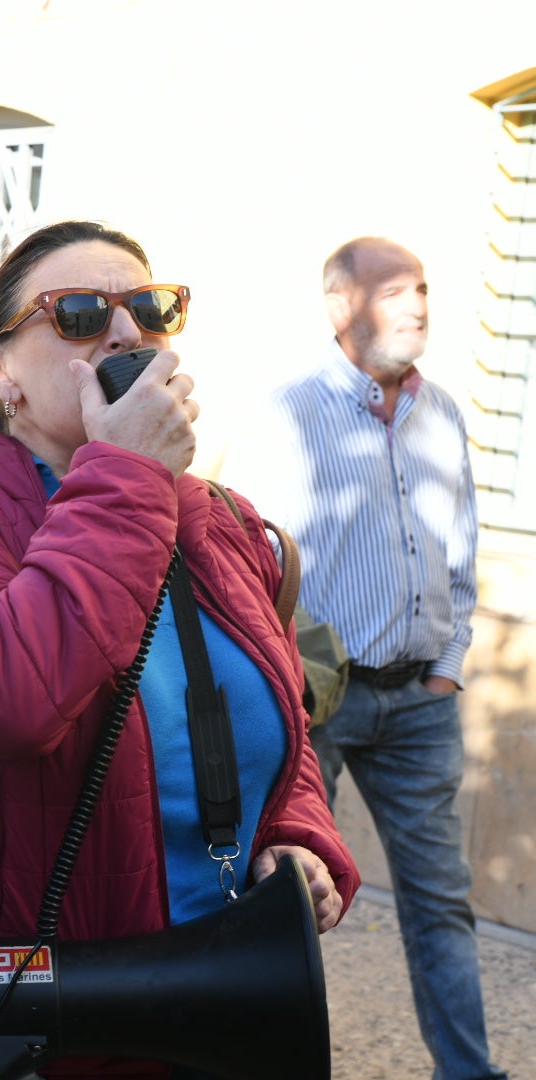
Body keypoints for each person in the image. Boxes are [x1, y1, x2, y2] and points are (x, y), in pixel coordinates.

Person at [0, 220, 359, 1080]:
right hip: (13, 1019)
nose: (126, 332)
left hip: (209, 1004)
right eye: (75, 312)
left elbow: (277, 719)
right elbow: (9, 700)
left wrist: (297, 836)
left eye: (150, 307)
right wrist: (131, 474)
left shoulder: (224, 523)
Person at [224, 237, 504, 1080]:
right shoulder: (287, 413)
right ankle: (259, 1062)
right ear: (341, 307)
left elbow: (460, 552)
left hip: (420, 700)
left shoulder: (443, 410)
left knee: (440, 906)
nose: (419, 304)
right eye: (395, 290)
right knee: (276, 901)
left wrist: (448, 665)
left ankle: (469, 1072)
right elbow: (251, 568)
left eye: (423, 288)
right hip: (317, 706)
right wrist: (291, 691)